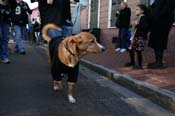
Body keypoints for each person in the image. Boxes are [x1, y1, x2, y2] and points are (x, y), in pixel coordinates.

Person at [147, 0, 175, 69]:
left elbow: (168, 7)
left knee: (159, 40)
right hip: (157, 20)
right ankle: (157, 61)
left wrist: (157, 15)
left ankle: (159, 62)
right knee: (155, 40)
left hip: (163, 21)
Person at [125, 4, 149, 69]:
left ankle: (139, 65)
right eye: (135, 9)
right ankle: (132, 62)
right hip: (135, 36)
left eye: (137, 9)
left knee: (138, 51)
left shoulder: (144, 18)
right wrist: (132, 25)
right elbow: (134, 26)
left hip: (140, 37)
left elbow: (145, 27)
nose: (135, 11)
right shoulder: (137, 18)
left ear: (142, 11)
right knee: (131, 49)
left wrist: (136, 25)